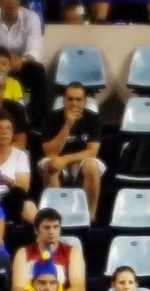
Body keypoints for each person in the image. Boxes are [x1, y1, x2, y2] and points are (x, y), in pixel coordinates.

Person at [39, 82, 104, 219]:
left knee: (91, 165)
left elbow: (92, 151)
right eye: (70, 99)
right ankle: (54, 217)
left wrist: (66, 159)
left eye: (79, 99)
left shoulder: (94, 118)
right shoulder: (51, 118)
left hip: (80, 161)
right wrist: (68, 125)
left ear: (85, 101)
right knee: (51, 165)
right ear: (64, 100)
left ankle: (90, 216)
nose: (74, 103)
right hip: (56, 158)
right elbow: (50, 152)